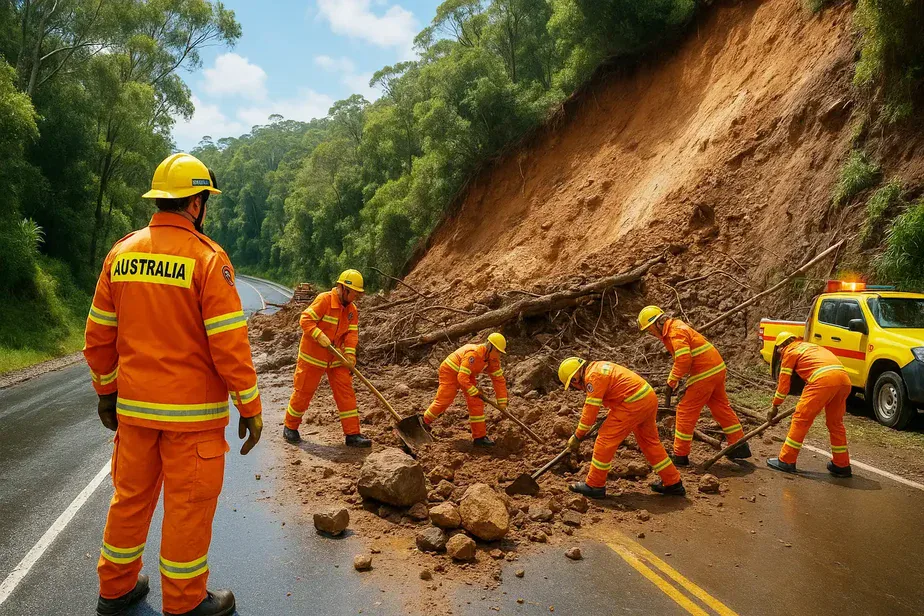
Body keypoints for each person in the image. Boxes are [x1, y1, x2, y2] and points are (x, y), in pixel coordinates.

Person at [86, 153, 263, 616]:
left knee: (129, 502)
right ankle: (185, 603)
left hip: (135, 415)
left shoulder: (121, 253)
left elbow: (99, 335)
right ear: (197, 204)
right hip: (193, 422)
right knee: (186, 508)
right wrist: (250, 405)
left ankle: (116, 588)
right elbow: (229, 344)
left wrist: (107, 391)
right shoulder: (207, 260)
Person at [558, 357, 685, 499]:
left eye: (571, 385)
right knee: (649, 442)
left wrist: (577, 436)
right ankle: (673, 482)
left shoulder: (593, 377)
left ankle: (594, 485)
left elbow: (590, 411)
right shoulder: (598, 368)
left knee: (605, 440)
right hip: (647, 397)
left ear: (575, 378)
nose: (574, 387)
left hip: (633, 402)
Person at [637, 306, 750, 465]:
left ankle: (680, 456)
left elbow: (684, 360)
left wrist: (671, 381)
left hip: (705, 373)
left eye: (649, 329)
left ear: (657, 324)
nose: (651, 333)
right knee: (721, 407)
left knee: (685, 411)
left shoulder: (675, 332)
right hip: (716, 369)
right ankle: (739, 445)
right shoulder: (676, 328)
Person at [283, 270, 371, 447]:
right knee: (303, 392)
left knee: (346, 394)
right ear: (343, 288)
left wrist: (350, 354)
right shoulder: (324, 300)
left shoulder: (352, 310)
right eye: (354, 292)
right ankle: (290, 427)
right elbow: (305, 319)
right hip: (313, 357)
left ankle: (352, 434)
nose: (356, 297)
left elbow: (351, 334)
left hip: (336, 358)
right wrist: (319, 335)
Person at [766, 332, 852, 476]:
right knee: (835, 423)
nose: (780, 353)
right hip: (844, 380)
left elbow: (784, 385)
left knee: (801, 419)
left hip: (822, 380)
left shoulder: (790, 351)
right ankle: (842, 465)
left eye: (779, 350)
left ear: (782, 346)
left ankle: (786, 460)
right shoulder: (809, 347)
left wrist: (775, 405)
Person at [423, 333, 509, 447]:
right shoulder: (473, 354)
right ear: (490, 346)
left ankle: (480, 438)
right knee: (444, 399)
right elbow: (461, 377)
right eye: (497, 351)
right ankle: (424, 422)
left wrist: (502, 403)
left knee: (476, 403)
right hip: (450, 371)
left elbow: (499, 381)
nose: (498, 355)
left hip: (467, 375)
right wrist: (472, 390)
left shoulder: (492, 359)